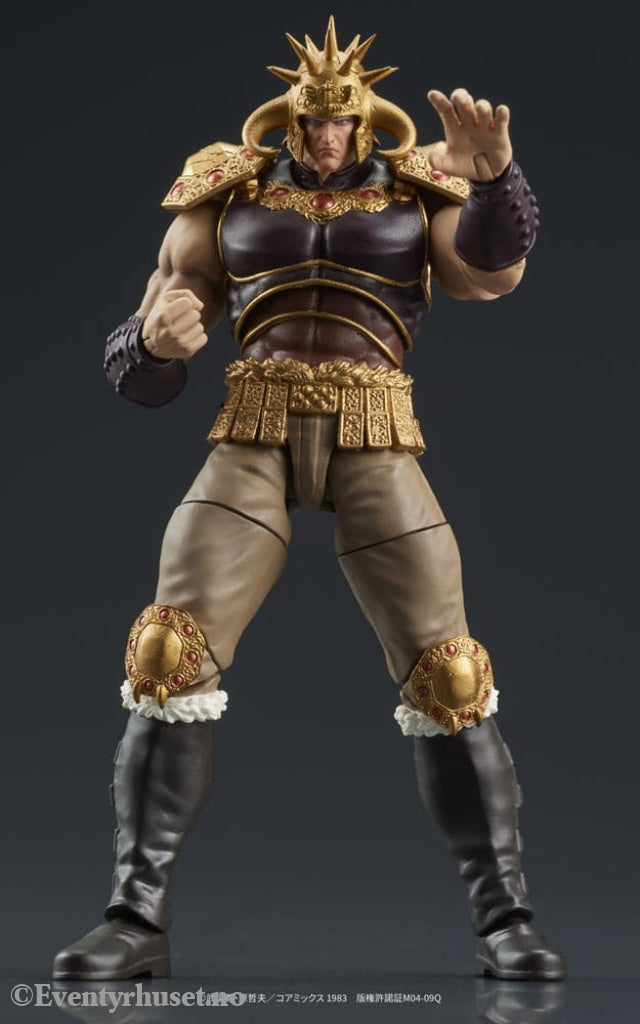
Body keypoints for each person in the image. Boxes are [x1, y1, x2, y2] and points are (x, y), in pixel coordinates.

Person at [53, 17, 565, 982]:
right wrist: (153, 346)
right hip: (254, 426)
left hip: (376, 430)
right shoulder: (227, 189)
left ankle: (506, 917)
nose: (326, 139)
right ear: (289, 120)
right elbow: (149, 338)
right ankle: (135, 915)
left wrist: (497, 179)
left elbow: (491, 274)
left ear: (366, 121)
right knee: (166, 650)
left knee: (452, 674)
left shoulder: (417, 187)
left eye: (341, 123)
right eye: (312, 122)